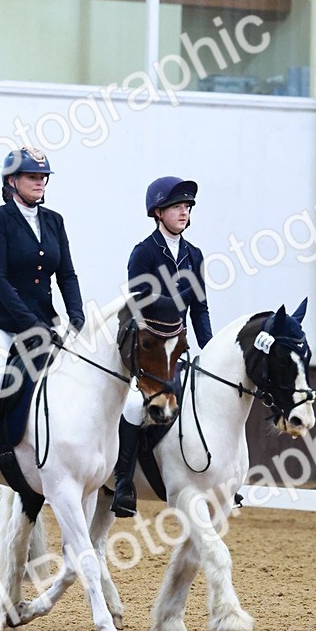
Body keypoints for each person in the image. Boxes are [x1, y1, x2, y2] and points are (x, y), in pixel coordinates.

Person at [0, 146, 85, 499]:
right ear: (12, 181)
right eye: (33, 176)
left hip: (43, 321)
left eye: (43, 177)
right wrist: (31, 323)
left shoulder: (54, 221)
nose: (40, 182)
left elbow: (67, 273)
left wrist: (76, 315)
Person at [111, 175, 213, 516]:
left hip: (176, 349)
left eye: (186, 207)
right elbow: (140, 304)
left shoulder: (194, 255)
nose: (184, 212)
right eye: (176, 207)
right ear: (158, 212)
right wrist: (175, 298)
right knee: (133, 408)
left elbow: (199, 308)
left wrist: (208, 349)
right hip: (148, 349)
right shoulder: (143, 253)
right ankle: (123, 482)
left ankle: (212, 477)